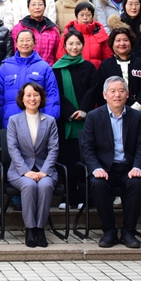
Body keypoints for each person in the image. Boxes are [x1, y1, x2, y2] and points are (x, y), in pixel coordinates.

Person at [79, 76, 141, 248]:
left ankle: (128, 231)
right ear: (105, 95)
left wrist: (137, 167)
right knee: (98, 184)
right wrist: (95, 168)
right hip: (104, 169)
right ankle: (109, 231)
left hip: (128, 168)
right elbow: (87, 148)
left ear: (127, 94)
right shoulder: (94, 117)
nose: (117, 95)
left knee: (137, 183)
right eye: (113, 91)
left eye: (121, 91)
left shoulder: (136, 117)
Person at [6, 82, 59, 247]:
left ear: (41, 98)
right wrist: (25, 171)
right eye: (28, 95)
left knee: (45, 185)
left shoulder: (49, 121)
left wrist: (45, 171)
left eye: (36, 95)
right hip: (19, 171)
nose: (32, 98)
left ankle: (40, 229)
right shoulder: (14, 120)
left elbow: (54, 148)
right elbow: (12, 148)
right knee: (29, 185)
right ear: (22, 99)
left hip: (45, 169)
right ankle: (30, 229)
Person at [52, 30, 97, 209]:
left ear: (83, 46)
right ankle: (69, 196)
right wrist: (70, 112)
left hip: (85, 120)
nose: (74, 47)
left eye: (78, 43)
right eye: (70, 43)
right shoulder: (56, 68)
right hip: (66, 120)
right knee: (67, 159)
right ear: (64, 46)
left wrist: (83, 110)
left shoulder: (89, 67)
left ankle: (84, 197)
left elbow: (93, 90)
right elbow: (56, 93)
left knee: (84, 158)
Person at [0, 29, 60, 131]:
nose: (25, 43)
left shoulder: (44, 67)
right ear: (16, 43)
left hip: (38, 122)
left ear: (34, 43)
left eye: (28, 40)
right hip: (10, 121)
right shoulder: (6, 67)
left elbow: (52, 95)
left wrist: (48, 120)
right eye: (21, 40)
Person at [99, 28, 141, 120]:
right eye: (118, 40)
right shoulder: (105, 65)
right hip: (112, 116)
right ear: (112, 43)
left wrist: (136, 108)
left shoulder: (140, 63)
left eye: (125, 40)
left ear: (131, 42)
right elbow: (101, 91)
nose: (122, 43)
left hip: (139, 114)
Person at [12, 0, 62, 65]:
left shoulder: (53, 29)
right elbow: (14, 52)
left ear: (45, 7)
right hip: (25, 67)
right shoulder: (19, 28)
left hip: (47, 68)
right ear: (28, 8)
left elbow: (57, 53)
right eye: (33, 4)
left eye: (40, 4)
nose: (37, 7)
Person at [57, 2, 111, 68]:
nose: (85, 18)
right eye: (81, 15)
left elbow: (108, 58)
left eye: (88, 15)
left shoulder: (101, 33)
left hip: (97, 72)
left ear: (92, 17)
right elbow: (60, 57)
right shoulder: (68, 34)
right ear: (76, 17)